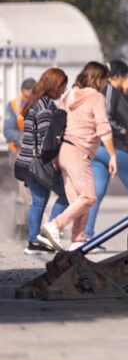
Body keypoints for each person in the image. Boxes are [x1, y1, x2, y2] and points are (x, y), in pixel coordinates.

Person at [38, 62, 116, 250]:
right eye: (105, 79)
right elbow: (103, 127)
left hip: (64, 151)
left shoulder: (70, 95)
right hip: (79, 152)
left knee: (78, 201)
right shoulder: (96, 97)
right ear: (99, 78)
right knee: (89, 196)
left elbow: (60, 123)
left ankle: (78, 241)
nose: (106, 83)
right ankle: (54, 225)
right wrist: (112, 155)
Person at [13, 68, 70, 254]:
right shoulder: (45, 108)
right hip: (37, 163)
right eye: (62, 86)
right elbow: (48, 141)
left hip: (26, 161)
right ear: (54, 85)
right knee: (66, 194)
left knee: (38, 201)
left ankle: (33, 242)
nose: (64, 89)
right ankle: (47, 233)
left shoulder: (36, 102)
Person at [84, 59, 128, 244]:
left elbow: (126, 111)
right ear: (119, 75)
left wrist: (127, 91)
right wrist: (122, 133)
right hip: (114, 147)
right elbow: (106, 118)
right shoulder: (108, 91)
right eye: (126, 75)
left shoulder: (117, 92)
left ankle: (87, 236)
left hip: (101, 150)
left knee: (97, 193)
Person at [4, 77, 36, 155]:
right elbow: (8, 130)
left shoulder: (43, 104)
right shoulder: (13, 104)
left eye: (31, 97)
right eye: (26, 97)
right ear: (22, 92)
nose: (28, 100)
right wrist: (25, 139)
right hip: (18, 148)